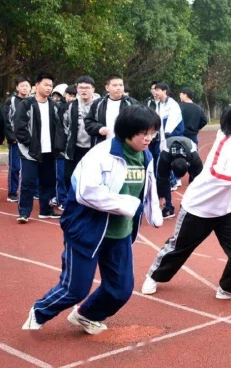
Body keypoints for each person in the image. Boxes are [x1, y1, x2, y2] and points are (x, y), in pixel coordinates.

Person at [22, 105, 163, 333]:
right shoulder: (101, 155)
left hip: (120, 233)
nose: (149, 138)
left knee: (121, 289)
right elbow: (86, 192)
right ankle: (40, 311)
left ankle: (86, 315)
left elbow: (148, 187)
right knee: (75, 289)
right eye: (143, 133)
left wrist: (152, 211)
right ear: (127, 131)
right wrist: (127, 205)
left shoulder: (146, 155)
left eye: (153, 133)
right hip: (88, 230)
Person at [141, 100, 231, 299]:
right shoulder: (224, 143)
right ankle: (154, 275)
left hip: (229, 209)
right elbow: (216, 174)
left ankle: (229, 287)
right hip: (200, 207)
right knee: (179, 248)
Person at [14, 73, 64, 223]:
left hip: (49, 151)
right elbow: (19, 127)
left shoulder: (55, 106)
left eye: (50, 85)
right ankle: (24, 213)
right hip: (31, 151)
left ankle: (46, 209)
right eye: (46, 84)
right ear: (37, 85)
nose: (49, 88)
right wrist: (29, 143)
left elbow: (60, 128)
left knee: (48, 182)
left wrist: (58, 145)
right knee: (28, 182)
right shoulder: (26, 104)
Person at [63, 76, 97, 195]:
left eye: (87, 87)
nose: (84, 90)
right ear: (77, 89)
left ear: (93, 89)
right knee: (69, 177)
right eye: (81, 87)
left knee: (90, 179)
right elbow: (64, 126)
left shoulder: (100, 105)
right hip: (74, 147)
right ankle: (72, 203)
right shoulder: (70, 106)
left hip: (93, 148)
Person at [157, 135, 204, 219]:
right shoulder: (165, 156)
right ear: (171, 165)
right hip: (168, 146)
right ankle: (167, 208)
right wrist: (162, 197)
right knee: (163, 177)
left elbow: (199, 179)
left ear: (188, 164)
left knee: (196, 180)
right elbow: (163, 178)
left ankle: (189, 205)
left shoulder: (194, 158)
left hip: (188, 146)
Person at [84, 75, 139, 146]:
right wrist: (99, 128)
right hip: (102, 144)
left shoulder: (132, 103)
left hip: (125, 145)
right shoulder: (98, 103)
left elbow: (140, 124)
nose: (118, 88)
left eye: (121, 85)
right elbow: (88, 122)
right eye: (115, 85)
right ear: (107, 88)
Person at [3, 76, 32, 202]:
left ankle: (32, 191)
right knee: (15, 167)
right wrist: (11, 137)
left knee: (31, 167)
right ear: (17, 88)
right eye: (22, 86)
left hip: (30, 140)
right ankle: (12, 191)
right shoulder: (11, 101)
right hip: (15, 140)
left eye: (27, 86)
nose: (25, 88)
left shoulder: (33, 100)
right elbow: (7, 120)